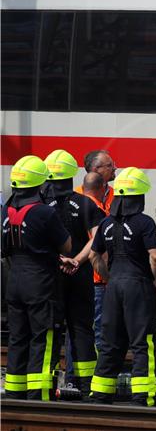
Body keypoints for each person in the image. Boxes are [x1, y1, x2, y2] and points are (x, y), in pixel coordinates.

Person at [88, 167, 156, 406]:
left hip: (113, 288)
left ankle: (101, 393)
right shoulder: (145, 223)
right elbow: (155, 257)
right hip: (138, 286)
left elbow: (93, 255)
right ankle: (144, 395)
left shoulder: (106, 224)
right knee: (143, 342)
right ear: (140, 196)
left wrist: (110, 277)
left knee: (110, 342)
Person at [2, 155, 73, 400]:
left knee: (18, 336)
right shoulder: (44, 212)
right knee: (43, 337)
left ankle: (14, 389)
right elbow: (66, 246)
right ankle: (40, 392)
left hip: (14, 281)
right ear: (41, 185)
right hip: (40, 282)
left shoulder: (6, 210)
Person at [43, 150, 105, 396]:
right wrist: (77, 260)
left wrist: (58, 260)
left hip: (51, 277)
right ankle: (84, 385)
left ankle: (47, 383)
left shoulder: (39, 205)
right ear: (72, 175)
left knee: (51, 331)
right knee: (82, 330)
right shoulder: (84, 203)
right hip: (79, 277)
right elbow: (98, 236)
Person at [82, 172, 111, 357]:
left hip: (80, 277)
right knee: (99, 330)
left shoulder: (73, 203)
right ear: (101, 188)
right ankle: (99, 371)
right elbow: (97, 249)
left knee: (80, 329)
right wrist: (108, 276)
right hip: (97, 279)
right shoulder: (96, 209)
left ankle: (75, 376)